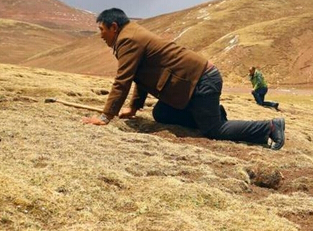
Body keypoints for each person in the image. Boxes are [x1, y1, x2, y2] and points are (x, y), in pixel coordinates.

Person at [82, 8, 285, 150]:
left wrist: (105, 117)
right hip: (196, 81)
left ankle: (270, 127)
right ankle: (212, 112)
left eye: (102, 30)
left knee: (214, 130)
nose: (101, 36)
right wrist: (134, 108)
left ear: (114, 27)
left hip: (202, 80)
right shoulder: (131, 35)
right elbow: (139, 75)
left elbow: (123, 80)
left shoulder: (128, 39)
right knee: (161, 112)